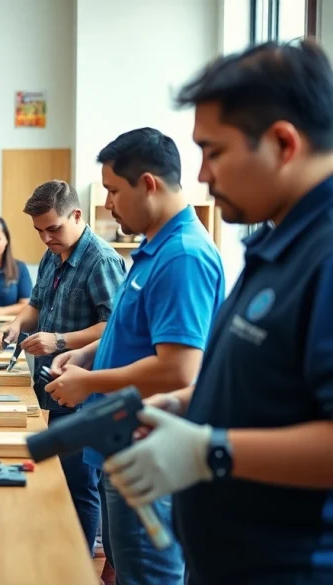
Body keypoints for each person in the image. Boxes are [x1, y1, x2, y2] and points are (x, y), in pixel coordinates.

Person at [104, 40, 333, 585]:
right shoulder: (282, 242)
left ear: (282, 142)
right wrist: (189, 403)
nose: (202, 176)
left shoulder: (325, 253)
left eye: (214, 151)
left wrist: (213, 451)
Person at [46, 128, 225, 585]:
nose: (108, 204)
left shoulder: (182, 255)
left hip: (147, 445)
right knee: (128, 569)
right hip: (121, 440)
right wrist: (85, 354)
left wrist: (88, 383)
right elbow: (131, 331)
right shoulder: (152, 249)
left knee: (149, 575)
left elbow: (179, 367)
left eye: (113, 190)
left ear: (147, 184)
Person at [0, 180, 127, 554]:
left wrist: (60, 340)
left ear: (77, 216)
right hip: (52, 387)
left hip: (85, 388)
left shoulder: (101, 260)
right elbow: (35, 305)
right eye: (39, 231)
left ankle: (81, 567)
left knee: (79, 482)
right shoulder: (54, 253)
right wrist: (17, 323)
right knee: (62, 478)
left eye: (53, 228)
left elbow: (114, 327)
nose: (46, 238)